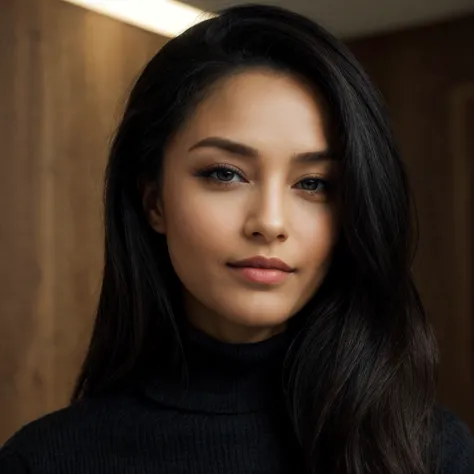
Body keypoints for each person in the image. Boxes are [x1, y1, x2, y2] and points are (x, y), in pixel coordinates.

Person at [1, 3, 473, 473]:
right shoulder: (45, 460)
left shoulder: (431, 451)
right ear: (154, 203)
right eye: (225, 174)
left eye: (313, 183)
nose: (269, 222)